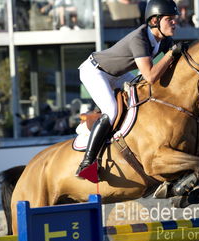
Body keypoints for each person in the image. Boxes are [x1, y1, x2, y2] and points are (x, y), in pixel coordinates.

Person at [76, 0, 185, 177]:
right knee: (111, 111)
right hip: (95, 71)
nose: (174, 22)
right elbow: (150, 76)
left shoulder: (164, 40)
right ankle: (87, 163)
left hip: (117, 74)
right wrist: (173, 53)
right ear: (154, 21)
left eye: (175, 19)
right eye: (169, 19)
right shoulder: (139, 38)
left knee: (143, 94)